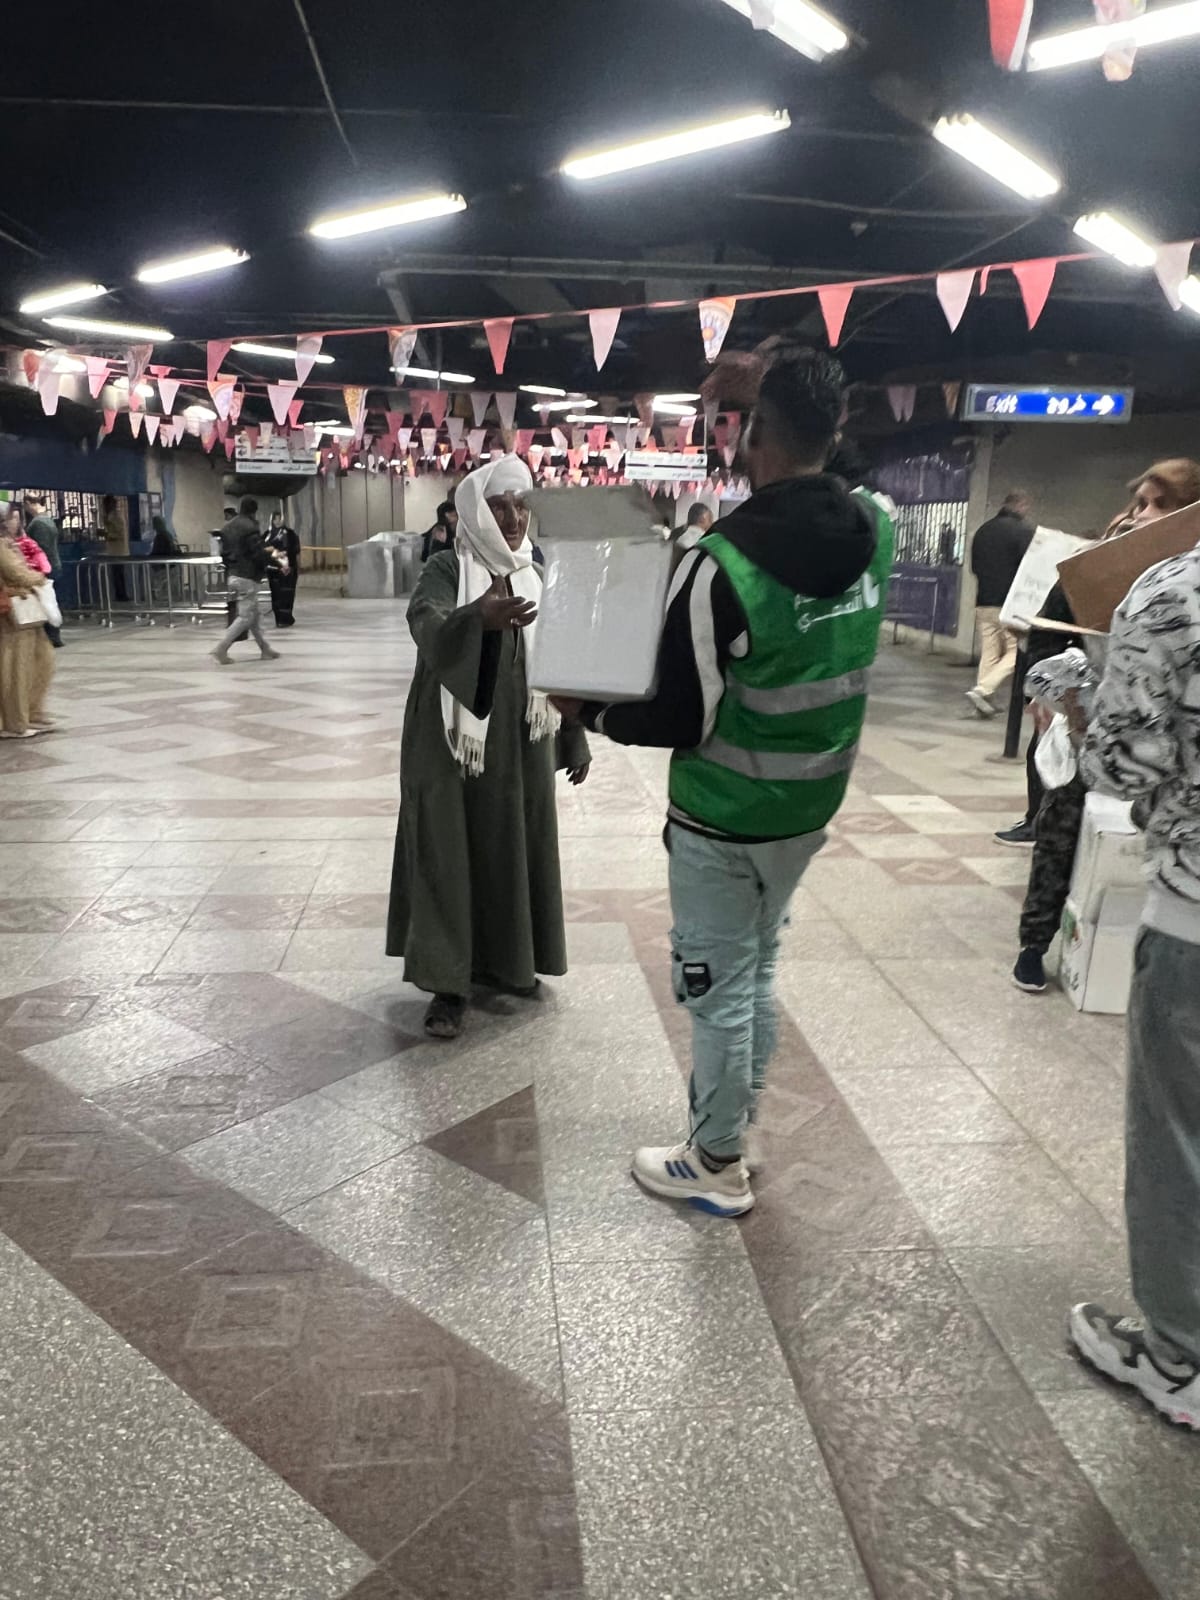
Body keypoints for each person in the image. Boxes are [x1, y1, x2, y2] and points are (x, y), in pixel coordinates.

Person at [564, 347, 894, 1218]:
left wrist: (584, 709)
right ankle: (737, 1122)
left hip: (724, 818)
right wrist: (780, 394)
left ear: (752, 434)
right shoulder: (877, 528)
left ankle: (715, 1161)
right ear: (834, 430)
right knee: (758, 968)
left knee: (717, 986)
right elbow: (843, 472)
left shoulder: (720, 566)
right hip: (811, 807)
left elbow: (677, 717)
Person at [386, 456, 590, 1041]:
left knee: (512, 845)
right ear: (475, 511)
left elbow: (556, 659)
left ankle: (509, 961)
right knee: (448, 849)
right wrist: (477, 616)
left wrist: (573, 735)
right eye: (499, 506)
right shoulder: (449, 566)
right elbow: (425, 620)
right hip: (452, 742)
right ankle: (448, 984)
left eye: (522, 505)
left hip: (521, 745)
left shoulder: (535, 571)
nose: (514, 518)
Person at [1068, 530, 1200, 1428]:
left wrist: (1079, 696)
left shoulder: (1175, 593)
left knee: (1180, 1140)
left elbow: (1123, 763)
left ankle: (1178, 1359)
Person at [1011, 460, 1200, 994]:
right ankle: (1034, 943)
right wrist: (1051, 689)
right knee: (1061, 829)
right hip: (1092, 724)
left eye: (1160, 505)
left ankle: (1108, 951)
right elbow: (1047, 632)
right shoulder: (1102, 563)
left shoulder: (1180, 586)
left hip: (1165, 758)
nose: (1143, 516)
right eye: (1140, 503)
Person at [965, 490, 1035, 718]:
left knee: (990, 652)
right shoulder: (1023, 531)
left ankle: (983, 704)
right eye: (1026, 507)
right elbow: (1029, 568)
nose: (1027, 511)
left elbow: (974, 567)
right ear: (1020, 505)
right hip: (1010, 603)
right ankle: (983, 689)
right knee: (1017, 652)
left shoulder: (983, 531)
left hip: (984, 600)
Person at [0, 514, 56, 737]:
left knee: (40, 660)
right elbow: (16, 573)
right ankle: (17, 722)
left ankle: (32, 713)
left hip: (23, 610)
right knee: (18, 668)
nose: (15, 522)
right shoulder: (2, 546)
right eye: (10, 518)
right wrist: (38, 578)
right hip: (14, 613)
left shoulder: (9, 543)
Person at [211, 496, 280, 666]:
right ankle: (221, 648)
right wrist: (276, 561)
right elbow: (256, 553)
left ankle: (265, 649)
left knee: (253, 616)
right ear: (254, 511)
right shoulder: (250, 527)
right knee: (245, 617)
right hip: (247, 577)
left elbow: (224, 553)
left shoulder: (227, 527)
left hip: (233, 575)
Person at [264, 509, 301, 627]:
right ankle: (279, 618)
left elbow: (296, 549)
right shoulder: (267, 534)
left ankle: (286, 618)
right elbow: (261, 548)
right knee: (276, 594)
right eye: (275, 518)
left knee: (287, 594)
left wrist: (284, 554)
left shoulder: (290, 534)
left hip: (288, 569)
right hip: (273, 570)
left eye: (279, 518)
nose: (277, 521)